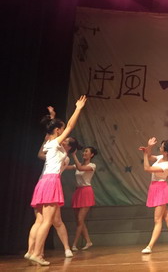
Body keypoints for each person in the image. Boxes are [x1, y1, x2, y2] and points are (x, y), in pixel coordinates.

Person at [26, 96, 87, 266]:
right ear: (58, 131)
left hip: (43, 182)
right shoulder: (54, 144)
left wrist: (52, 118)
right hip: (51, 181)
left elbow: (53, 129)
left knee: (40, 220)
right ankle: (37, 254)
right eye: (62, 130)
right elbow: (70, 126)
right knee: (47, 221)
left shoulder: (49, 143)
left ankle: (31, 251)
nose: (65, 133)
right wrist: (78, 109)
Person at [138, 137, 168, 253]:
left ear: (166, 152)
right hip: (155, 188)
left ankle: (149, 246)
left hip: (161, 189)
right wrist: (149, 147)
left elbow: (147, 168)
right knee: (167, 217)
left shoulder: (166, 165)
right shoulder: (160, 158)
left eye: (162, 147)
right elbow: (149, 156)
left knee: (157, 219)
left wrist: (145, 153)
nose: (160, 148)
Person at [70, 145, 98, 250]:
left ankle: (74, 244)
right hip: (78, 192)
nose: (84, 153)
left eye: (86, 151)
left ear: (92, 155)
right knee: (79, 221)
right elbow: (67, 167)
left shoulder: (92, 165)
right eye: (84, 151)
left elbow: (80, 168)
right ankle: (88, 241)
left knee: (80, 219)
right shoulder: (78, 164)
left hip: (86, 192)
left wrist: (73, 155)